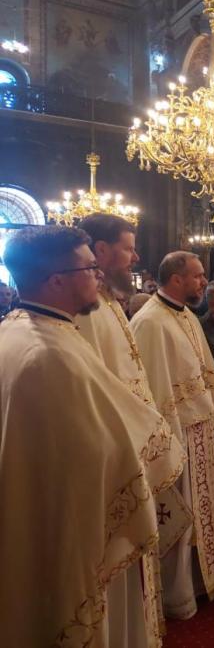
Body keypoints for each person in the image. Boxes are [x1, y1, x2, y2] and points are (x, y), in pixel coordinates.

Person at [0, 225, 183, 647]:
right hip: (75, 521)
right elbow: (96, 447)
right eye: (88, 268)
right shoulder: (49, 354)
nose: (98, 276)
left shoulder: (23, 327)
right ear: (56, 280)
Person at [130, 251, 214, 620]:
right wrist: (168, 441)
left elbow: (204, 372)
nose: (204, 281)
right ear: (176, 279)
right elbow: (153, 392)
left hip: (200, 429)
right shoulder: (149, 322)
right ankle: (177, 594)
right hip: (177, 434)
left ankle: (203, 578)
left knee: (203, 510)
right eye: (198, 275)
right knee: (182, 513)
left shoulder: (186, 315)